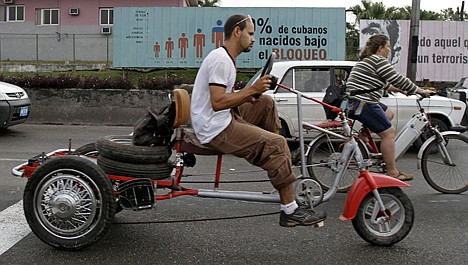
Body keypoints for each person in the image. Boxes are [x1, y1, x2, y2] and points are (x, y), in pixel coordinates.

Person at [190, 14, 326, 227]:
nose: (253, 39)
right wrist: (251, 89)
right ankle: (289, 210)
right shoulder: (221, 60)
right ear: (237, 31)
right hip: (213, 127)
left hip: (222, 117)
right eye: (250, 33)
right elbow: (217, 102)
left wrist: (254, 94)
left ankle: (280, 163)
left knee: (265, 103)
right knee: (278, 143)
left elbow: (226, 99)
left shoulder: (225, 58)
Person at [346, 34, 434, 181]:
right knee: (389, 133)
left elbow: (383, 84)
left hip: (356, 102)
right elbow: (398, 78)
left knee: (389, 114)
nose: (390, 49)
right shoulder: (378, 60)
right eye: (388, 46)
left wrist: (400, 90)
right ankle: (392, 171)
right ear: (380, 48)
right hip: (364, 103)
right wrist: (419, 90)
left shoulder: (368, 61)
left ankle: (363, 136)